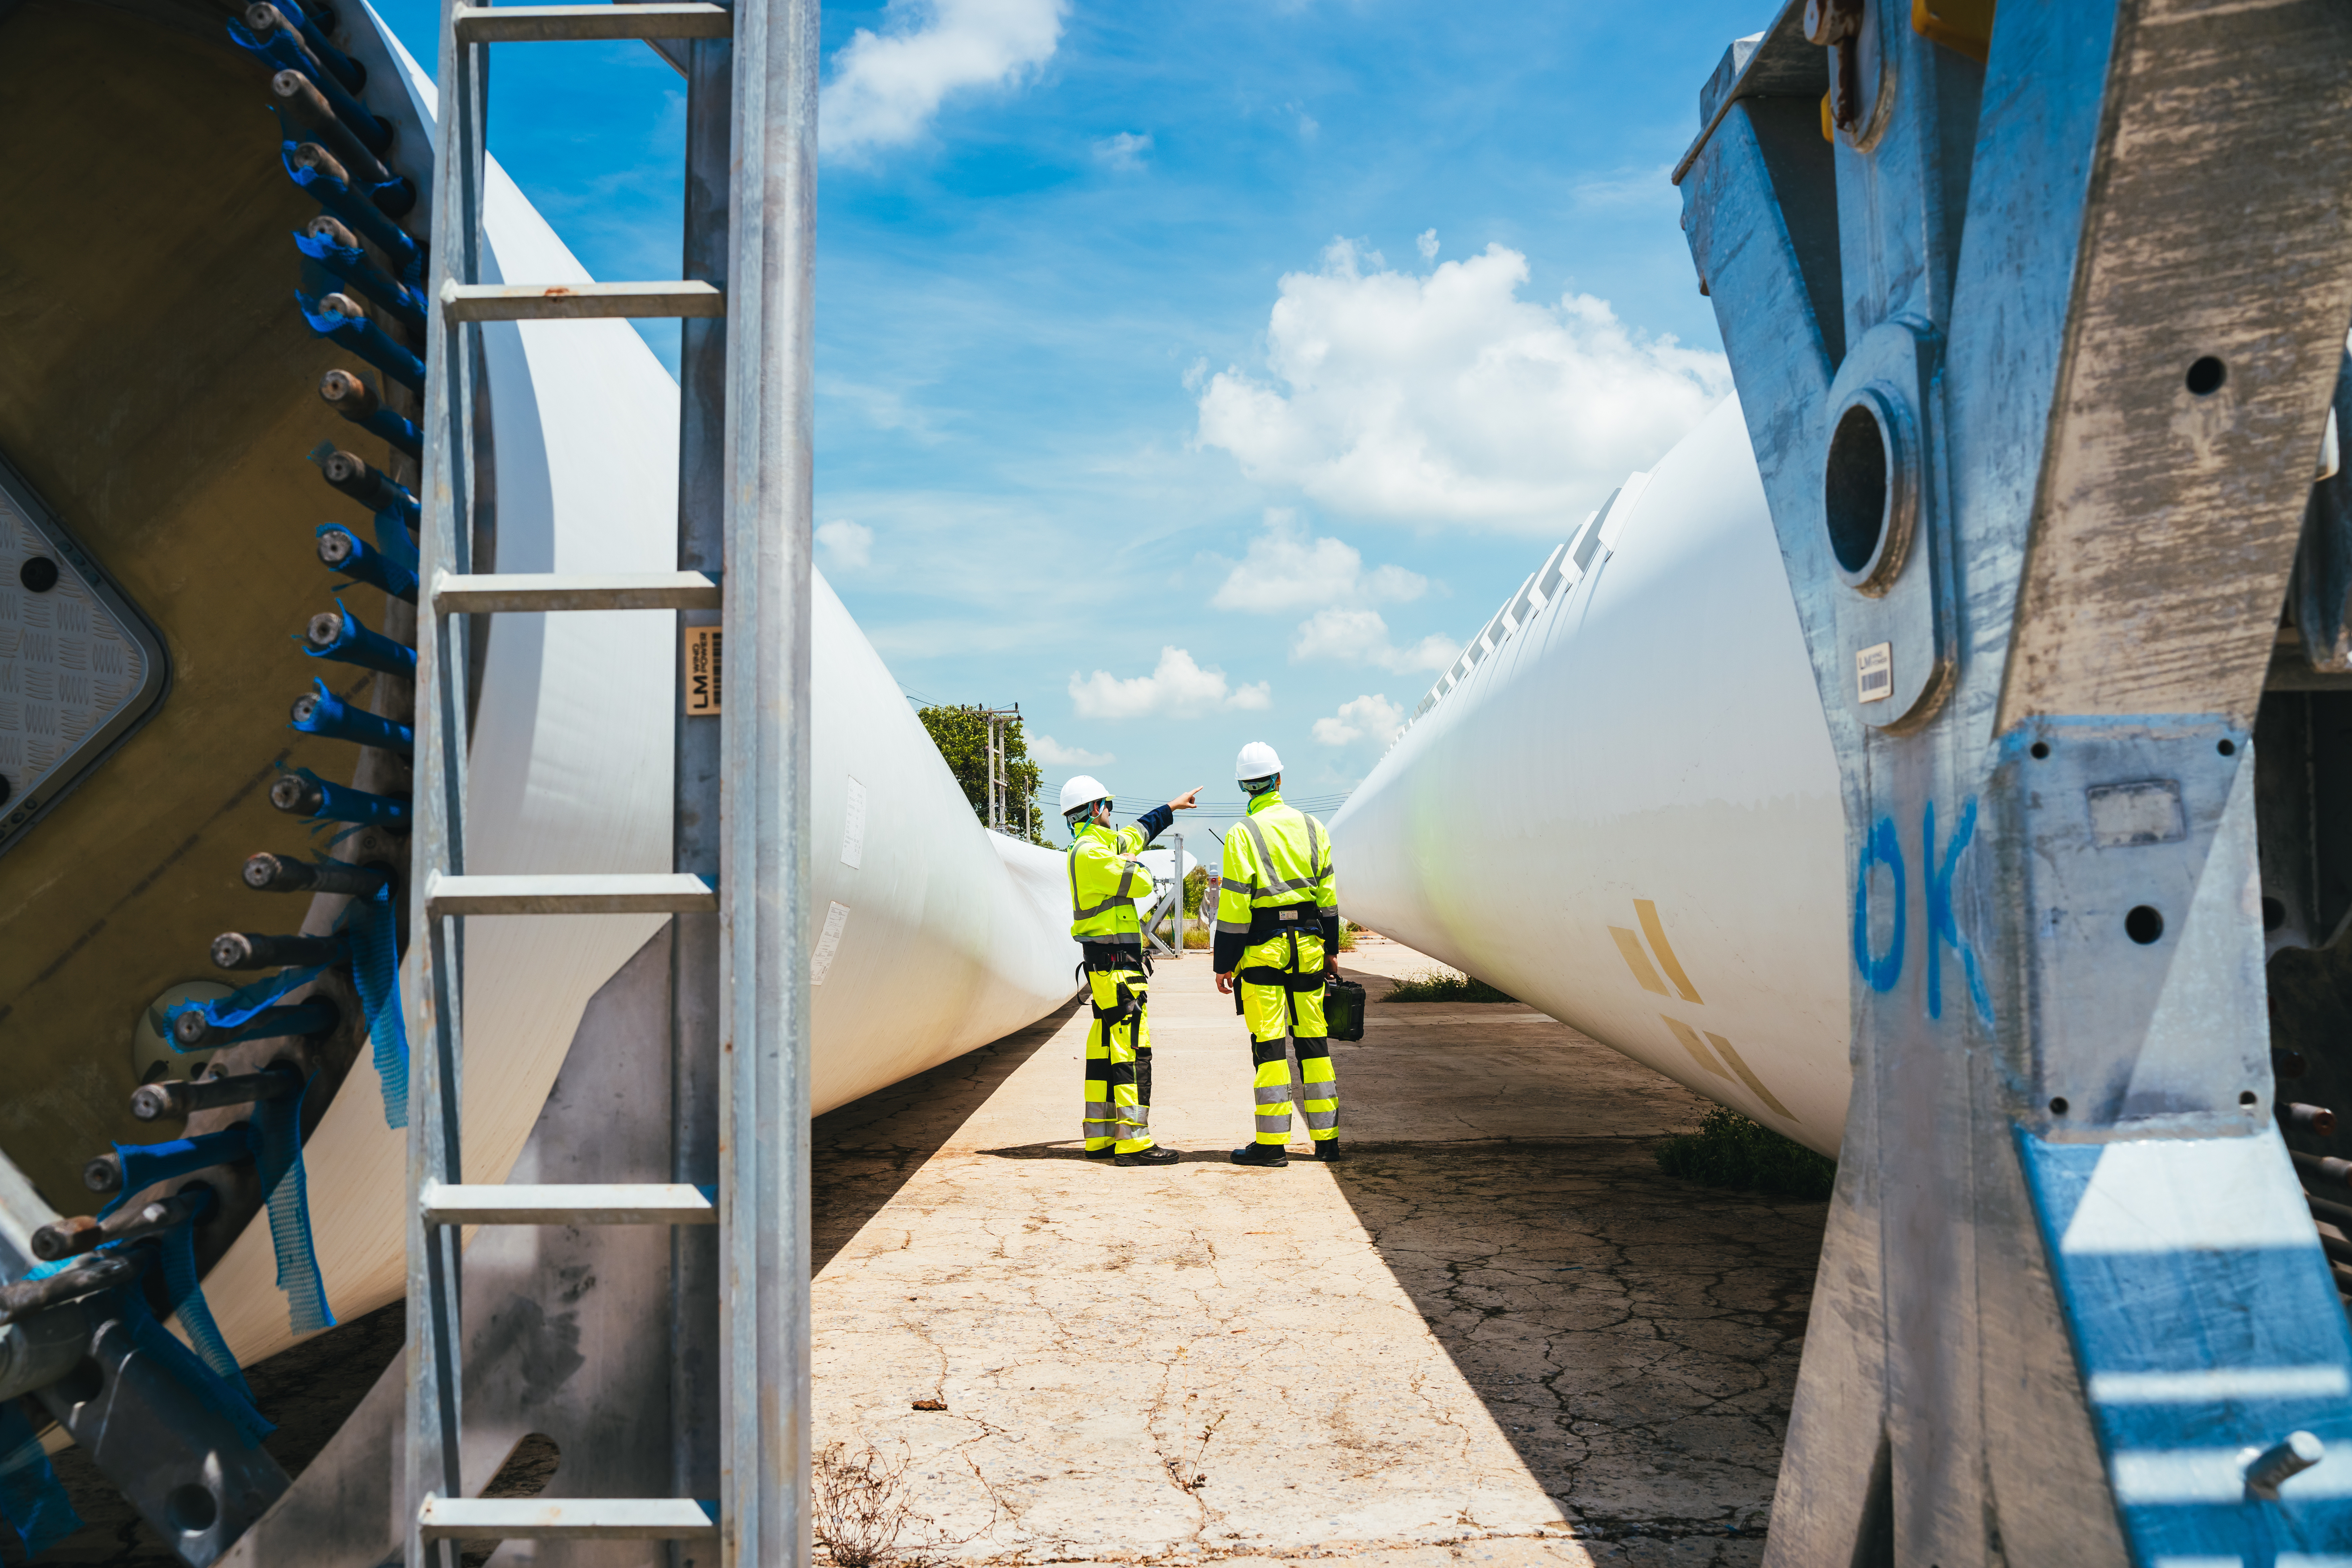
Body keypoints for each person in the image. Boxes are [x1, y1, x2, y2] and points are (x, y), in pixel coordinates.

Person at [1062, 774, 1201, 1166]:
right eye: (1108, 806)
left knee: (1107, 1049)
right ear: (1095, 810)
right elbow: (1143, 883)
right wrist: (1134, 865)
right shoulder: (1090, 853)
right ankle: (1134, 1142)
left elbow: (1139, 832)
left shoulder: (1104, 845)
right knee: (1131, 1053)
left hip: (1110, 969)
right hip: (1116, 969)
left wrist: (1172, 807)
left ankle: (1102, 1138)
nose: (1112, 812)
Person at [1212, 742, 1340, 1166]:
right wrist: (1332, 952)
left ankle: (1271, 1146)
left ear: (1244, 787)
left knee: (1269, 1046)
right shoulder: (1313, 828)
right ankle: (1328, 1141)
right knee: (1314, 1043)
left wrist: (1224, 963)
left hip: (1265, 953)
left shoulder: (1243, 833)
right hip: (1308, 950)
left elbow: (1233, 910)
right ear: (1279, 779)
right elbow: (1329, 901)